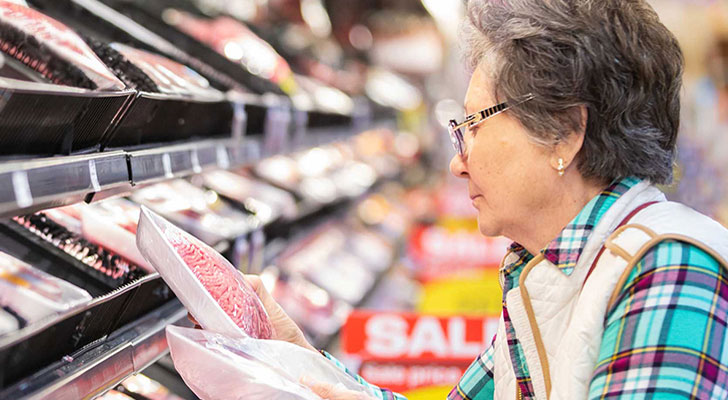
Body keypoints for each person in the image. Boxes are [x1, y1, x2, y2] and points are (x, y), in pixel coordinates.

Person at [244, 0, 728, 399]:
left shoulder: (670, 265)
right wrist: (296, 359)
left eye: (474, 124)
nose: (458, 161)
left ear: (564, 132)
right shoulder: (547, 272)